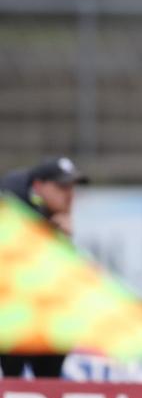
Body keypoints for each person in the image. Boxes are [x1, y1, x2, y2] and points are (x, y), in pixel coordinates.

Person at [0, 156, 89, 377]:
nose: (69, 194)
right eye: (62, 186)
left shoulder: (54, 210)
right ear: (39, 187)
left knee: (50, 372)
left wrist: (63, 242)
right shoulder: (11, 201)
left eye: (72, 187)